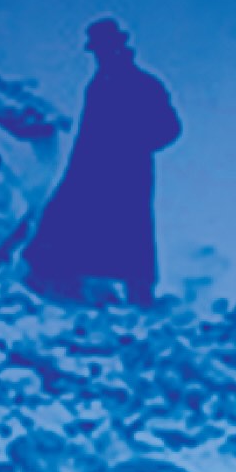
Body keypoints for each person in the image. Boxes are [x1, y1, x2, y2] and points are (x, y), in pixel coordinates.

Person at [23, 17, 182, 306]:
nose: (101, 56)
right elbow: (87, 135)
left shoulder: (144, 85)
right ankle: (59, 286)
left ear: (119, 48)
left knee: (131, 233)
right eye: (97, 51)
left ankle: (140, 296)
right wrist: (75, 172)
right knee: (67, 220)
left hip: (128, 174)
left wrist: (134, 144)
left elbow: (170, 128)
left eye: (105, 49)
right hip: (92, 170)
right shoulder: (97, 86)